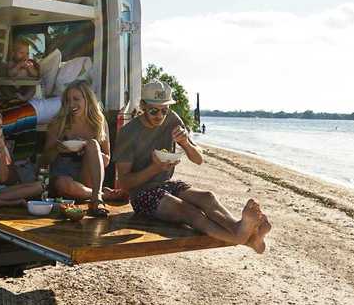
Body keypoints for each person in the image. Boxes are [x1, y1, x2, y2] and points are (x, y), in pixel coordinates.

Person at [114, 81, 271, 253]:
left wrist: (185, 143)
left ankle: (244, 232)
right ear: (143, 106)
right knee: (189, 211)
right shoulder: (128, 133)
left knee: (208, 198)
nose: (160, 116)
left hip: (164, 185)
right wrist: (155, 168)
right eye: (154, 110)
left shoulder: (172, 119)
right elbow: (124, 183)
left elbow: (198, 159)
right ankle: (241, 237)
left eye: (164, 110)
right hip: (141, 195)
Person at [42, 80, 120, 217]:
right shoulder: (59, 123)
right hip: (64, 176)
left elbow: (107, 159)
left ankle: (96, 198)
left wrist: (92, 154)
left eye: (76, 99)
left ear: (87, 100)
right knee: (62, 184)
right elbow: (44, 159)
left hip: (87, 175)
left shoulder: (98, 122)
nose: (71, 104)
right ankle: (101, 195)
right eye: (68, 100)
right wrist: (58, 149)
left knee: (92, 144)